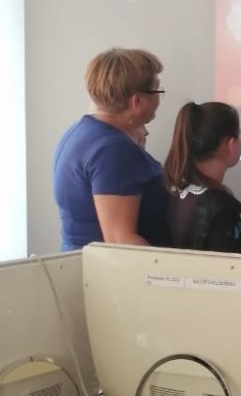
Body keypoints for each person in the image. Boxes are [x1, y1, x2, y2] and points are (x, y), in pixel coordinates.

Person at [52, 48, 169, 250]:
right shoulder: (115, 150)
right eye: (157, 91)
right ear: (137, 101)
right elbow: (120, 241)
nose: (160, 99)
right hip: (109, 268)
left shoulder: (80, 131)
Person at [164, 102, 241, 254]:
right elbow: (236, 263)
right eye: (239, 136)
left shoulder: (177, 191)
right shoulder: (220, 208)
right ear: (230, 144)